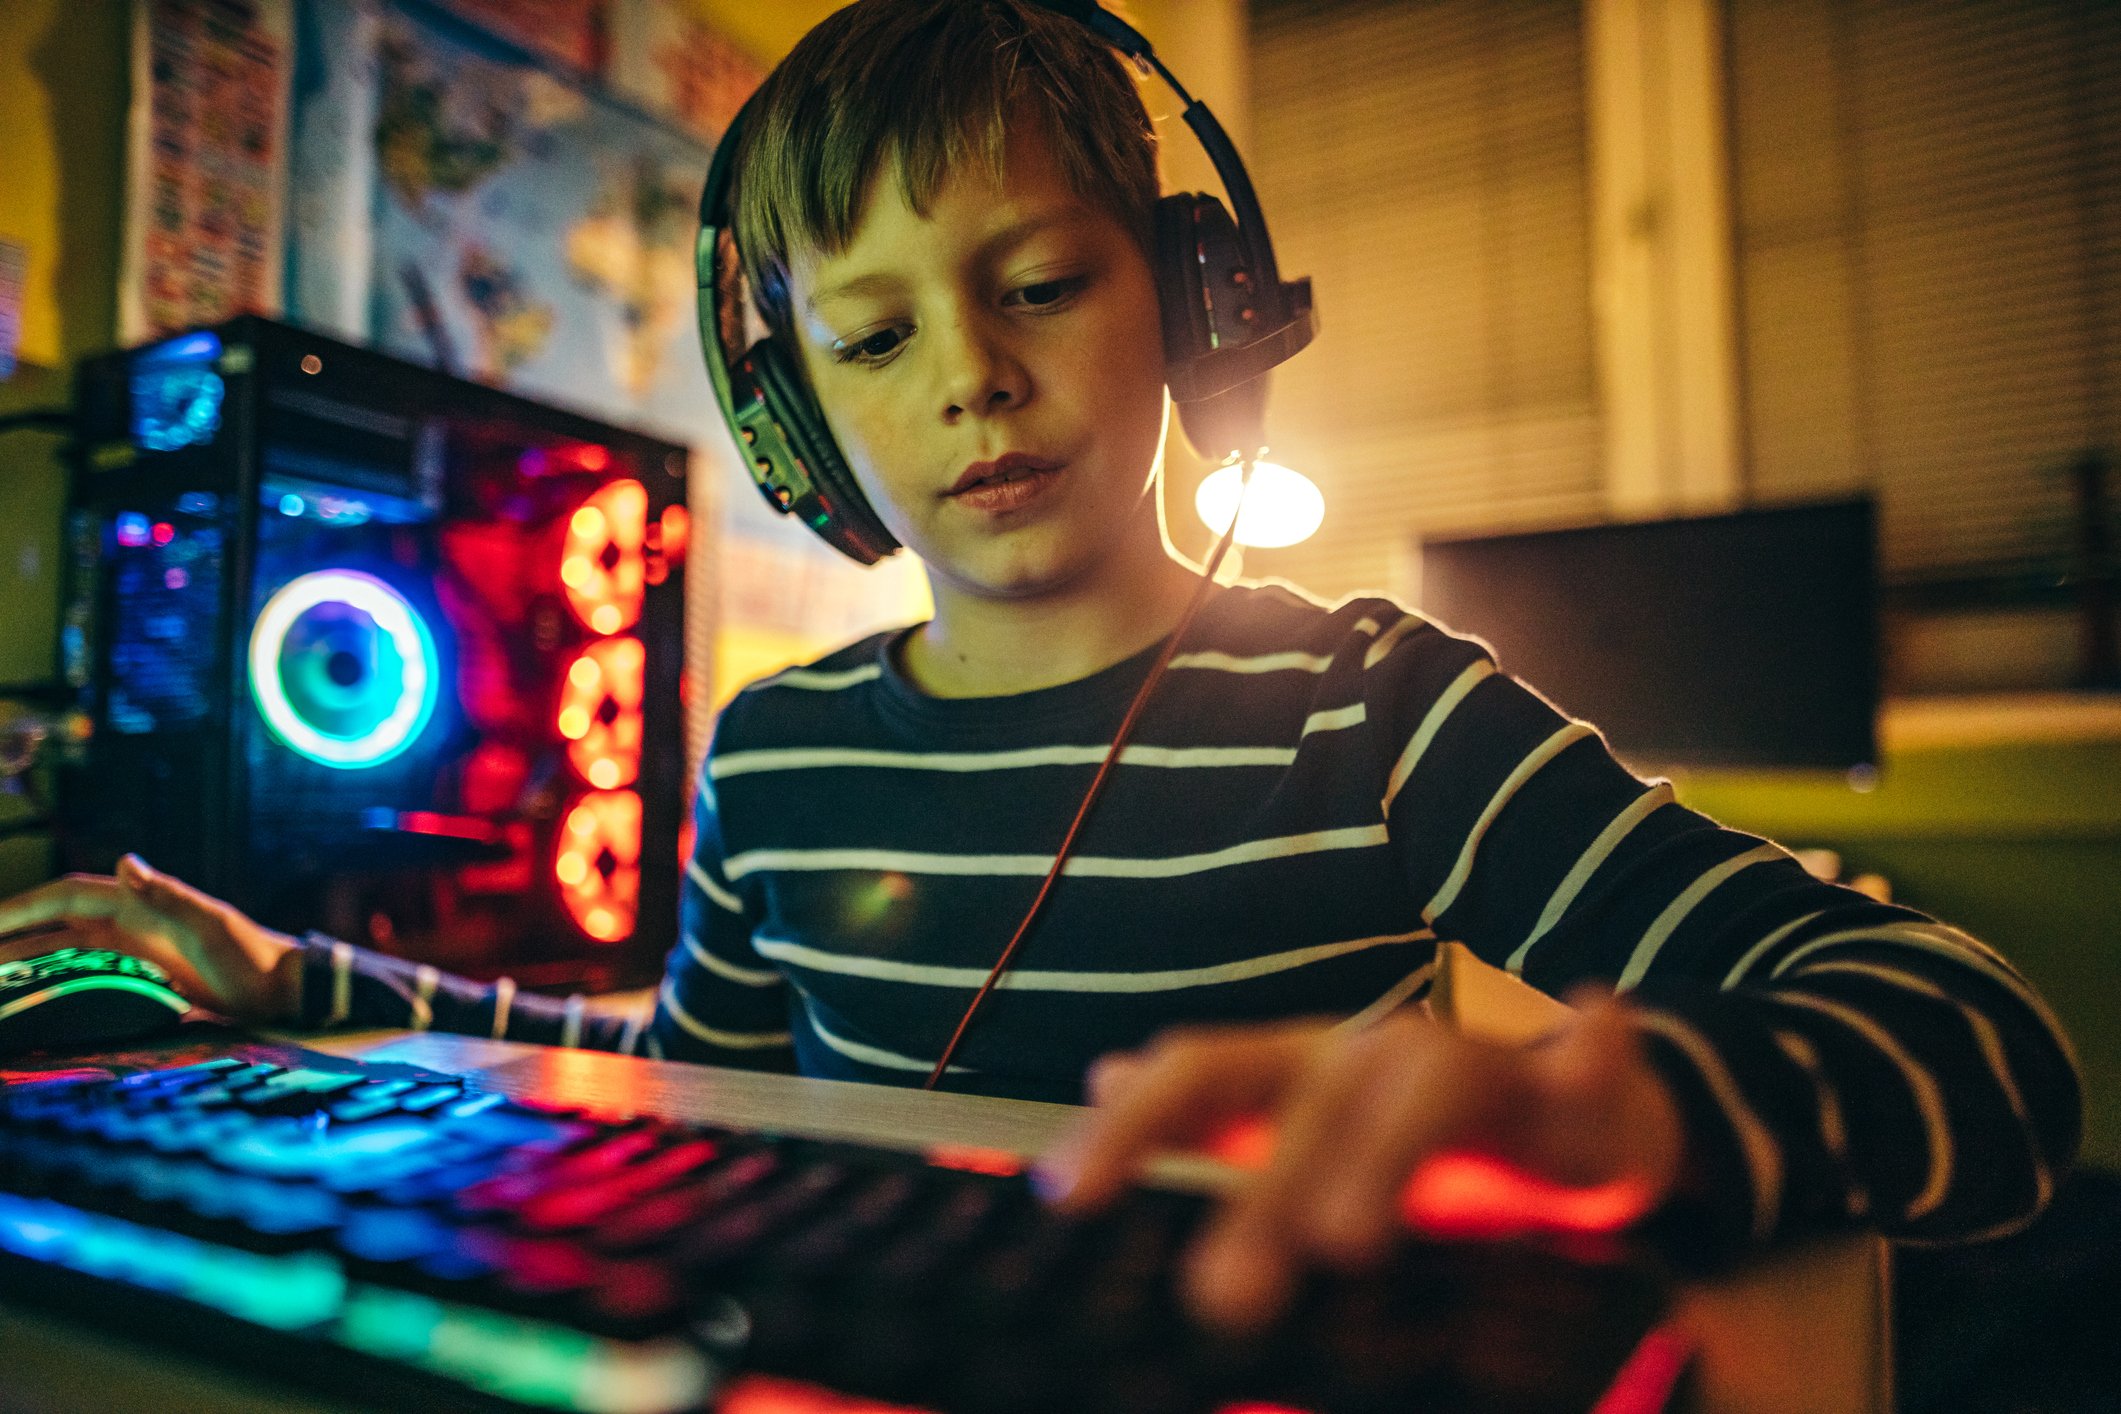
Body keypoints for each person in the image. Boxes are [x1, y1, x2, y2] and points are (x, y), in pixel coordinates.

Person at [0, 0, 2078, 1339]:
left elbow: (1982, 1046)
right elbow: (673, 1065)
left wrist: (1612, 1094)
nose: (972, 379)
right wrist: (300, 983)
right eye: (874, 337)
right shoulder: (775, 752)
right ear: (795, 418)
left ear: (1186, 309)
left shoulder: (1374, 707)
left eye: (1038, 281)